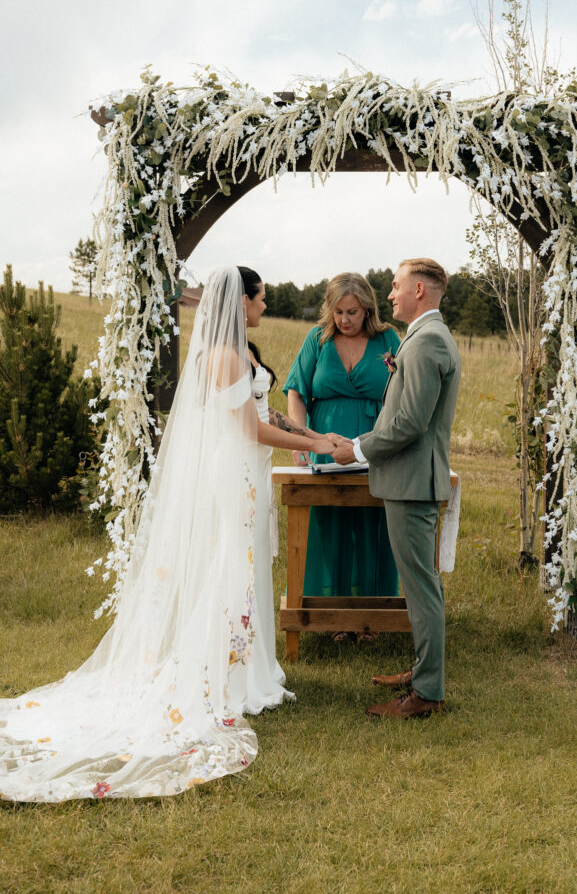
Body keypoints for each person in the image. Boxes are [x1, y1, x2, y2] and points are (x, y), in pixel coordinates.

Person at [0, 266, 333, 802]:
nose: (265, 305)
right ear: (240, 301)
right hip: (233, 470)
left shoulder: (243, 352)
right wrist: (316, 449)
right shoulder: (221, 358)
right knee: (231, 564)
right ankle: (225, 675)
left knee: (248, 563)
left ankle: (252, 670)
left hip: (253, 471)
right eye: (261, 298)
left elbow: (263, 409)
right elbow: (245, 427)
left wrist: (314, 433)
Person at [331, 259, 460, 719]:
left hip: (410, 482)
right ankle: (425, 672)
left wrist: (359, 450)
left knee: (421, 588)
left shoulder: (426, 344)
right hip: (410, 479)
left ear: (420, 291)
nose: (389, 295)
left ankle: (426, 695)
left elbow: (409, 422)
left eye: (395, 286)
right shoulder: (426, 338)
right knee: (423, 584)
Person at [283, 273, 401, 622]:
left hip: (372, 444)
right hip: (325, 445)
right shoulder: (317, 340)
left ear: (368, 309)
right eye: (338, 312)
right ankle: (329, 614)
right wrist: (302, 438)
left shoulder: (388, 341)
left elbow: (401, 390)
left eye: (352, 312)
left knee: (372, 524)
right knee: (328, 527)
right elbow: (296, 391)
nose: (345, 320)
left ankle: (372, 616)